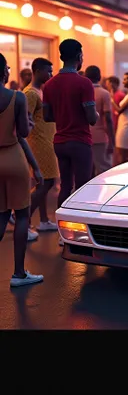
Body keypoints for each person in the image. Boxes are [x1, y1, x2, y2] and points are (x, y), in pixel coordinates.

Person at [0, 53, 44, 287]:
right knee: (22, 216)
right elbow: (23, 133)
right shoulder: (17, 97)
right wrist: (29, 123)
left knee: (0, 215)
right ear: (3, 72)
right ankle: (18, 273)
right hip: (14, 158)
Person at [43, 39, 98, 212]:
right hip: (80, 142)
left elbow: (47, 116)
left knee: (65, 187)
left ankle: (62, 226)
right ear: (79, 56)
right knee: (82, 187)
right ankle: (80, 228)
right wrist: (94, 113)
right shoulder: (84, 83)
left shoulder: (49, 84)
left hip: (60, 142)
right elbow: (92, 119)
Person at [24, 57, 59, 233]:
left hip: (46, 140)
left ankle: (44, 220)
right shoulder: (30, 93)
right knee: (47, 182)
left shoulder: (40, 91)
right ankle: (23, 218)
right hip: (39, 143)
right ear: (37, 71)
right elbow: (24, 119)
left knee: (43, 182)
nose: (51, 74)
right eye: (48, 71)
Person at [85, 66, 115, 175]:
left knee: (88, 170)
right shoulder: (104, 93)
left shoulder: (82, 92)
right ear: (99, 77)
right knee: (104, 169)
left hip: (84, 136)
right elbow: (108, 118)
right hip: (100, 136)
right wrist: (112, 139)